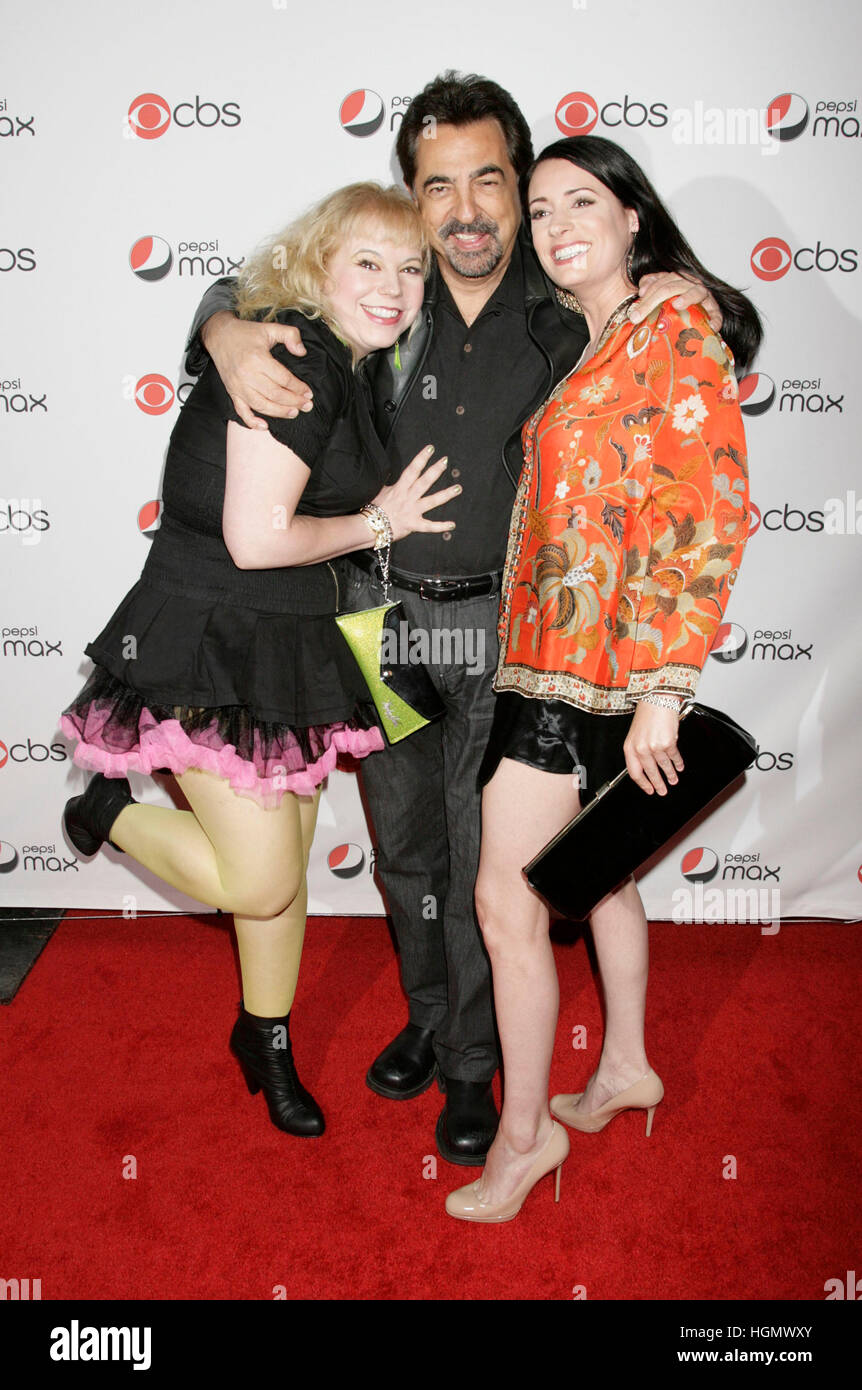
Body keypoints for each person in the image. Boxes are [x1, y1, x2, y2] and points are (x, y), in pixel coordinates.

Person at [185, 72, 728, 1165]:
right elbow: (255, 295)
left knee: (490, 855)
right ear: (412, 195)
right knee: (405, 844)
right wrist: (219, 327)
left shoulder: (573, 292)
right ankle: (430, 1015)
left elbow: (690, 368)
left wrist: (685, 295)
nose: (468, 209)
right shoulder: (383, 289)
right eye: (440, 186)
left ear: (522, 180)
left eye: (491, 179)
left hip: (508, 628)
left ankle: (475, 1062)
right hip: (383, 615)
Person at [60, 182, 459, 1139]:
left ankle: (264, 1037)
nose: (395, 286)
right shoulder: (298, 357)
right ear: (319, 263)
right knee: (260, 882)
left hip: (290, 645)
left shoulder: (341, 360)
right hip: (213, 642)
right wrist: (378, 522)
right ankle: (105, 811)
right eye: (369, 261)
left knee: (279, 875)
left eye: (411, 268)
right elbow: (256, 537)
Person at [444, 134, 760, 1221]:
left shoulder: (673, 325)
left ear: (635, 216)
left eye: (584, 200)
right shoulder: (595, 342)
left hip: (599, 672)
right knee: (600, 872)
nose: (555, 223)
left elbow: (706, 506)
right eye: (539, 209)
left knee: (505, 903)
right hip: (554, 661)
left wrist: (666, 688)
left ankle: (523, 1142)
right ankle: (624, 1064)